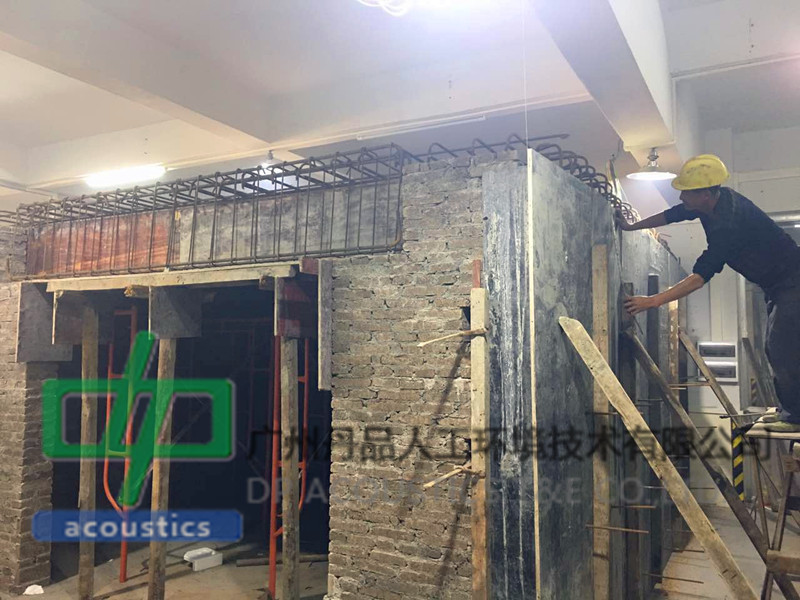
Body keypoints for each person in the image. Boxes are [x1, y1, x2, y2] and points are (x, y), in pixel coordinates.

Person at [617, 154, 800, 432]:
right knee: (775, 348)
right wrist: (632, 226)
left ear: (705, 194)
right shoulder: (712, 203)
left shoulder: (729, 223)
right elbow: (672, 214)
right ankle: (790, 411)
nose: (682, 197)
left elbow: (700, 277)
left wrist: (653, 301)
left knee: (782, 347)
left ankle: (795, 418)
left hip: (793, 282)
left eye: (687, 192)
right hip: (777, 285)